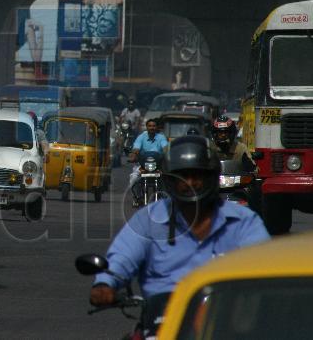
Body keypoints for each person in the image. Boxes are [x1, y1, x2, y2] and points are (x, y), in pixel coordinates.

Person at [90, 136, 270, 337]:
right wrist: (105, 284)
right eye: (182, 176)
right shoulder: (148, 220)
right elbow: (121, 258)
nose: (190, 183)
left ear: (212, 177)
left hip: (226, 326)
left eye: (197, 175)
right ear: (170, 180)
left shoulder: (243, 222)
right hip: (160, 327)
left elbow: (266, 266)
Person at [128, 119, 169, 205]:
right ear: (146, 127)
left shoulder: (161, 137)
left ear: (156, 127)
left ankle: (165, 198)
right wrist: (133, 155)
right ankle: (137, 198)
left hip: (158, 166)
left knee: (168, 179)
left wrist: (168, 154)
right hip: (142, 165)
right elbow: (136, 148)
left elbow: (165, 148)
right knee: (134, 178)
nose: (152, 128)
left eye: (154, 126)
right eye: (150, 126)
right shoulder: (141, 137)